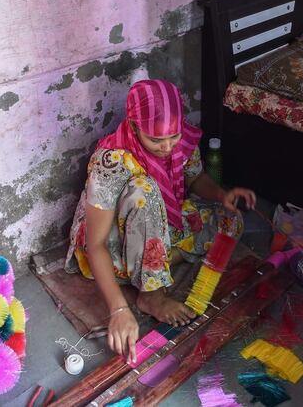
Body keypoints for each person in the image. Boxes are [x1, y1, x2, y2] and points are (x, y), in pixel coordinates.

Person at [65, 79, 256, 363]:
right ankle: (151, 293)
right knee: (146, 190)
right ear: (133, 126)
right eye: (155, 140)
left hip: (153, 225)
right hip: (111, 243)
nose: (167, 147)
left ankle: (153, 262)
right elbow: (96, 245)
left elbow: (194, 179)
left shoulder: (180, 140)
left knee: (230, 222)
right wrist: (118, 309)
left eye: (173, 136)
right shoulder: (113, 162)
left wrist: (221, 195)